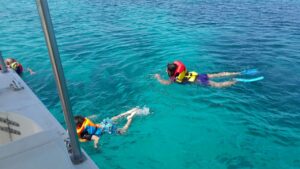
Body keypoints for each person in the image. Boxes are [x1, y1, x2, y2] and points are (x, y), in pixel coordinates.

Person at [154, 60, 258, 88]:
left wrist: (158, 77)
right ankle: (239, 73)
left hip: (199, 81)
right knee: (218, 74)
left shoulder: (174, 78)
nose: (166, 70)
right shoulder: (180, 71)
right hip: (200, 75)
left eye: (167, 70)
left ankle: (234, 81)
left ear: (171, 72)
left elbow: (166, 83)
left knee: (218, 85)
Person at [74, 108, 139, 149]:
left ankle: (129, 119)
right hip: (103, 123)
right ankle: (128, 112)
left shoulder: (84, 135)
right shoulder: (85, 121)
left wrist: (95, 146)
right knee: (114, 118)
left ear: (78, 126)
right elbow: (92, 116)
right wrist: (95, 116)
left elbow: (96, 138)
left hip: (107, 129)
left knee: (123, 131)